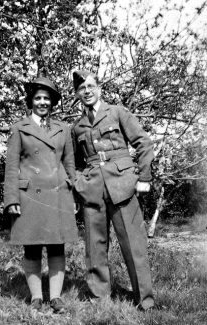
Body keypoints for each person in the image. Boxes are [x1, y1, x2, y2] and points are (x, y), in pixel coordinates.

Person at [71, 70, 155, 311]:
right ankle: (100, 299)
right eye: (81, 89)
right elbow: (75, 163)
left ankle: (145, 301)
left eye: (90, 86)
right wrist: (80, 184)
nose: (86, 91)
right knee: (94, 247)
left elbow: (143, 143)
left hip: (122, 186)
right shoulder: (76, 127)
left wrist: (144, 177)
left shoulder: (117, 112)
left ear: (99, 88)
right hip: (92, 190)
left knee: (134, 245)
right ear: (77, 94)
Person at [4, 76, 78, 313]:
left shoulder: (63, 129)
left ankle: (55, 297)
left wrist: (74, 195)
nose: (42, 102)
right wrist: (11, 199)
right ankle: (36, 297)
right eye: (38, 98)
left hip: (58, 195)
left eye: (47, 98)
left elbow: (70, 165)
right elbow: (11, 167)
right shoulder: (19, 128)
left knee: (57, 247)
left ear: (52, 102)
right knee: (32, 248)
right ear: (31, 101)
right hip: (30, 197)